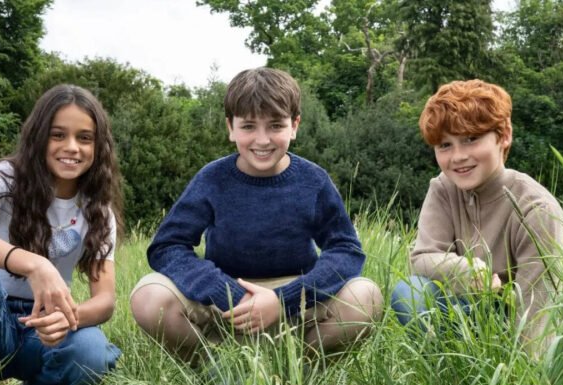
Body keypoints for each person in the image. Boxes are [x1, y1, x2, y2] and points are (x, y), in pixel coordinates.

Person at [130, 67, 383, 362]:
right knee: (149, 297)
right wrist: (224, 291)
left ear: (294, 125)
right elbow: (167, 246)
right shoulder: (212, 179)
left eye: (275, 125)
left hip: (295, 303)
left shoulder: (313, 181)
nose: (262, 140)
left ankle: (298, 367)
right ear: (230, 127)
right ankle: (215, 368)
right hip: (224, 304)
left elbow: (346, 249)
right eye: (248, 126)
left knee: (366, 297)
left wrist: (283, 300)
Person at [0, 84, 123, 385]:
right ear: (38, 136)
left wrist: (68, 317)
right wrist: (35, 265)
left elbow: (105, 300)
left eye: (84, 138)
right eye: (58, 135)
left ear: (98, 146)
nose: (72, 147)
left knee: (91, 351)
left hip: (43, 326)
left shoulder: (98, 210)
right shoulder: (5, 176)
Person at [391, 79, 563, 355]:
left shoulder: (537, 208)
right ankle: (447, 369)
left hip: (513, 320)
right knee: (409, 292)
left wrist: (524, 373)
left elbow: (538, 309)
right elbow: (422, 257)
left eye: (471, 139)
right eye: (445, 145)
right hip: (462, 309)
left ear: (504, 136)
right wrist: (466, 270)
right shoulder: (443, 189)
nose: (458, 156)